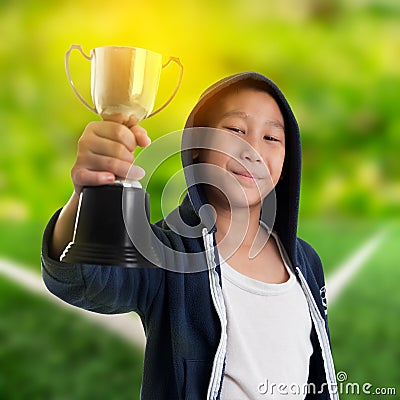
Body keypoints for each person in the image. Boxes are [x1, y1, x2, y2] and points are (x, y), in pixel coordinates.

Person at [41, 72, 338, 399]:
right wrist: (87, 192)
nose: (252, 149)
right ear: (197, 145)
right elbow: (83, 280)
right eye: (235, 130)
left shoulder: (305, 262)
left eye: (271, 138)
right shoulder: (167, 253)